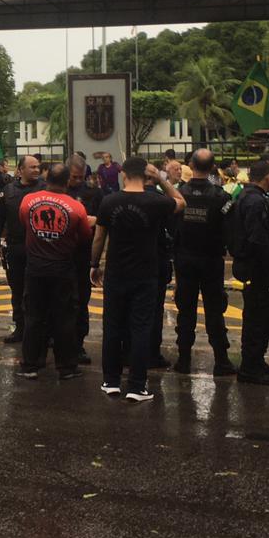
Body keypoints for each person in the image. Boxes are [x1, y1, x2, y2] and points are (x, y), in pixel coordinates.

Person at [91, 157, 185, 402]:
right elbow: (181, 202)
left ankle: (110, 381)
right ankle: (136, 385)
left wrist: (94, 264)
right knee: (140, 328)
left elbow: (99, 237)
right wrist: (162, 180)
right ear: (147, 175)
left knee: (112, 326)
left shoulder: (109, 201)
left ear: (123, 174)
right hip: (145, 274)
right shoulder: (155, 201)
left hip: (115, 272)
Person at [15, 163, 92, 380]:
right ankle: (66, 367)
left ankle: (30, 365)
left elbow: (25, 224)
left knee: (33, 317)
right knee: (64, 318)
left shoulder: (28, 200)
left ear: (46, 178)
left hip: (35, 267)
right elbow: (85, 236)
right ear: (67, 181)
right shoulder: (76, 207)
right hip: (62, 267)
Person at [172, 149, 235, 376]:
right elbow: (230, 229)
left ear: (191, 164)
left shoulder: (179, 194)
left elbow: (172, 227)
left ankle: (184, 360)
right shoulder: (222, 197)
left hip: (185, 259)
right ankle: (221, 360)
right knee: (214, 310)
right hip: (211, 260)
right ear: (212, 167)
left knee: (185, 310)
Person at [230, 160, 269, 384]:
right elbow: (257, 238)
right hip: (255, 267)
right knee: (257, 317)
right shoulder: (254, 201)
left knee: (263, 315)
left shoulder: (251, 197)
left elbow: (267, 233)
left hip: (255, 265)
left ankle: (256, 360)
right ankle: (250, 367)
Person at [0, 155, 44, 344]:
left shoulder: (44, 189)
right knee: (17, 289)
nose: (36, 170)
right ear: (20, 170)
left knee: (40, 291)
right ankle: (20, 328)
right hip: (16, 247)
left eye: (38, 167)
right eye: (32, 167)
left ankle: (43, 331)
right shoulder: (8, 191)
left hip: (40, 248)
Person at [66, 154, 102, 364]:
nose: (78, 181)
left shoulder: (93, 194)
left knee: (81, 301)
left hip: (82, 254)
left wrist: (94, 220)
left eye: (81, 177)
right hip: (59, 255)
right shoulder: (56, 193)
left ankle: (78, 343)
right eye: (74, 177)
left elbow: (104, 220)